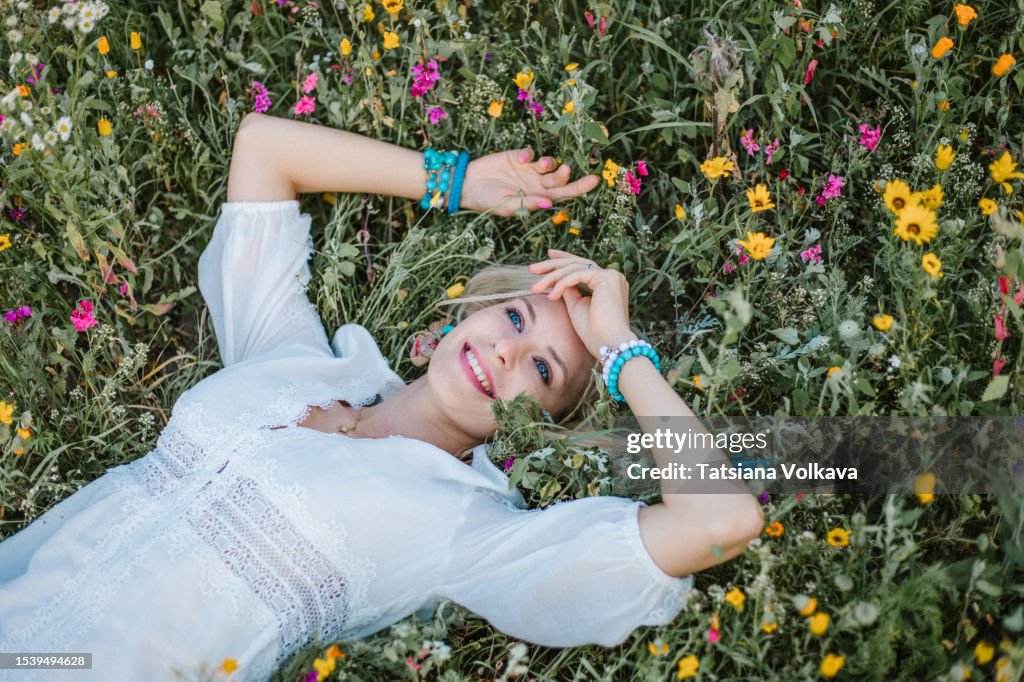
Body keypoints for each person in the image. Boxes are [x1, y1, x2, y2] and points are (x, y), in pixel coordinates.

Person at [0, 113, 762, 680]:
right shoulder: (295, 363)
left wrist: (621, 352)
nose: (505, 349)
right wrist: (459, 180)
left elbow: (722, 521)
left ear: (551, 422)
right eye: (517, 318)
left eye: (542, 371)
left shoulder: (463, 529)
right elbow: (263, 146)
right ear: (480, 308)